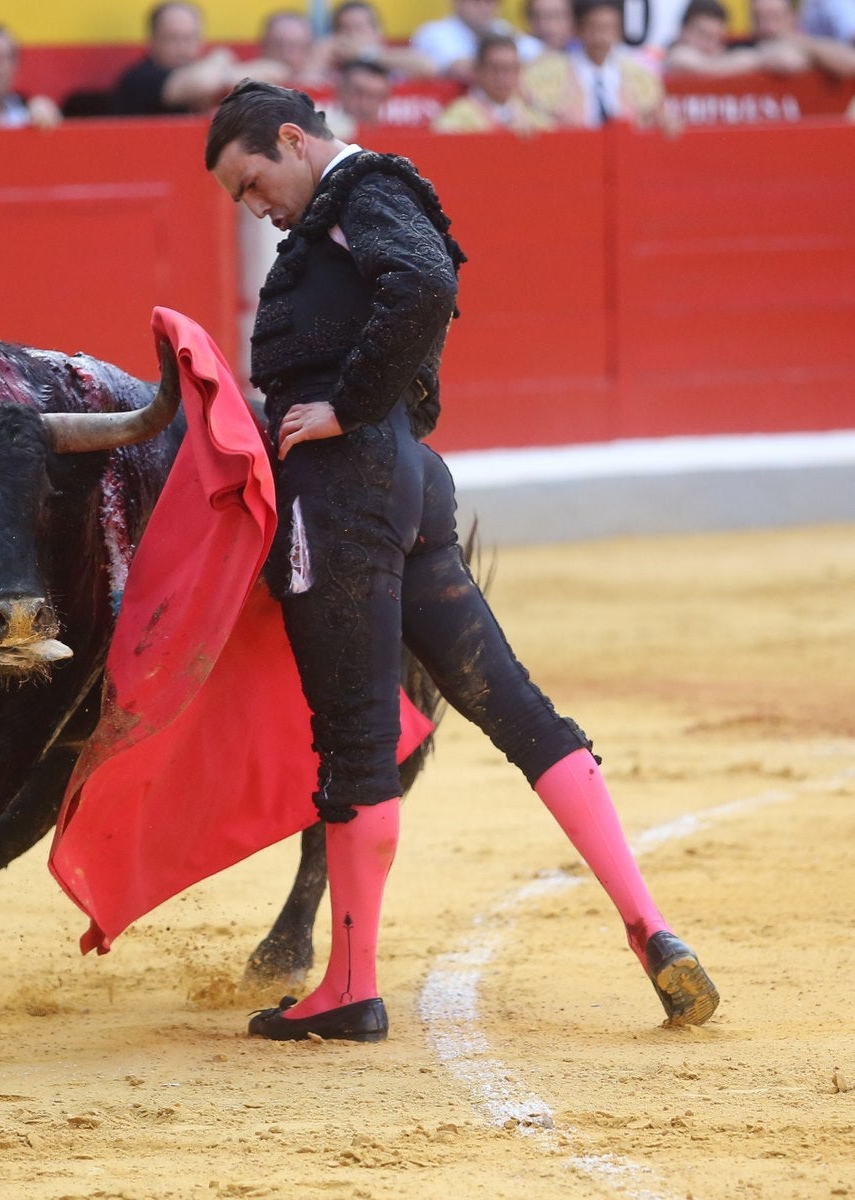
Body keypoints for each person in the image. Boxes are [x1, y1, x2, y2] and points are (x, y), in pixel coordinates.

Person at [202, 80, 718, 1041]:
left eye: (252, 181)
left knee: (354, 744)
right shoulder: (345, 215)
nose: (254, 205)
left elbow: (426, 285)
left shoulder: (360, 195)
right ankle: (649, 925)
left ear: (290, 139)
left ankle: (350, 986)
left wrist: (345, 407)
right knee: (512, 705)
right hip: (406, 487)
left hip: (347, 499)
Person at [111, 2, 289, 116]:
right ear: (153, 40)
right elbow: (202, 83)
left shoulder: (210, 71)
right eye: (172, 38)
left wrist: (225, 74)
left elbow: (275, 70)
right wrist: (219, 60)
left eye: (190, 38)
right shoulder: (138, 78)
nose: (183, 48)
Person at [524, 0, 667, 127]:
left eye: (608, 28)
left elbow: (653, 119)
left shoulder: (641, 76)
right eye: (593, 28)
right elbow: (535, 119)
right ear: (577, 30)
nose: (600, 38)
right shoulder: (545, 75)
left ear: (619, 31)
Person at [433, 33, 555, 131]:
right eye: (495, 68)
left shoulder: (531, 115)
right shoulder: (458, 115)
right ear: (478, 70)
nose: (503, 77)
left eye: (510, 68)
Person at [316, 1, 437, 80]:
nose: (353, 35)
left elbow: (427, 67)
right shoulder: (332, 65)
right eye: (345, 29)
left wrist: (364, 54)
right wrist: (320, 55)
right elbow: (306, 88)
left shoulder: (391, 60)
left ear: (377, 32)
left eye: (359, 28)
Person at [411, 0, 523, 82]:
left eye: (490, 2)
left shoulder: (501, 28)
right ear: (457, 3)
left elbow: (533, 53)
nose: (484, 7)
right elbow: (461, 68)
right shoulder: (434, 32)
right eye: (477, 2)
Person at [742, 0, 855, 76]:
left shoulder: (811, 46)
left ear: (792, 17)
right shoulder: (741, 47)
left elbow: (851, 62)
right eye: (759, 18)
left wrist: (800, 45)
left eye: (775, 17)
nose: (767, 27)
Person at [664, 0, 766, 74]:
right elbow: (682, 58)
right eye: (702, 34)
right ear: (683, 31)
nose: (708, 44)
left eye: (716, 38)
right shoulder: (674, 55)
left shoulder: (723, 55)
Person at [322, 58, 392, 137]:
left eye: (373, 96)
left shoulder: (394, 137)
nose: (364, 104)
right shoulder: (321, 134)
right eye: (358, 94)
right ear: (341, 92)